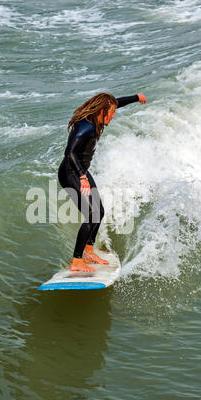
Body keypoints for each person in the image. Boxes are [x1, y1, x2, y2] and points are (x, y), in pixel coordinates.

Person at [58, 92, 147, 272]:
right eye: (111, 113)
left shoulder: (97, 117)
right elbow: (69, 153)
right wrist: (82, 177)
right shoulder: (85, 127)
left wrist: (136, 97)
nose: (113, 116)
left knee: (100, 211)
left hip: (79, 170)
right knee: (91, 214)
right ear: (101, 111)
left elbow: (116, 102)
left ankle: (88, 251)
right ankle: (76, 260)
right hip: (71, 173)